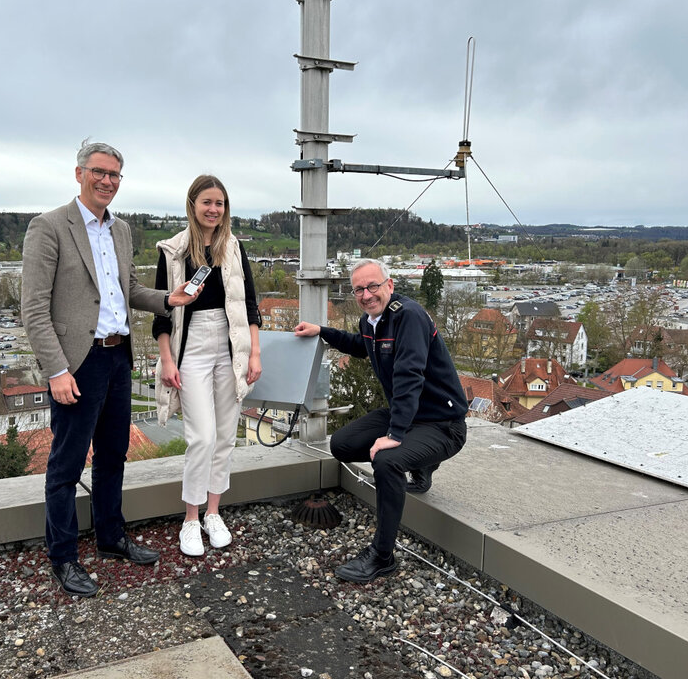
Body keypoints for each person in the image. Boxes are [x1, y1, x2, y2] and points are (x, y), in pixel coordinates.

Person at [22, 140, 201, 597]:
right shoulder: (48, 228)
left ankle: (110, 537)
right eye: (99, 172)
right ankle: (62, 558)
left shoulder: (120, 230)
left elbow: (129, 289)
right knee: (64, 466)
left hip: (119, 359)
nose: (107, 181)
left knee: (112, 457)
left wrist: (169, 298)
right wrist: (57, 371)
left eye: (115, 175)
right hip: (77, 364)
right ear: (79, 173)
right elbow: (34, 311)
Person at [293, 258, 468, 583]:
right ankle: (422, 464)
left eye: (373, 286)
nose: (366, 294)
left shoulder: (409, 317)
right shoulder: (371, 321)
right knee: (341, 444)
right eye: (359, 289)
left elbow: (409, 376)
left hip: (443, 424)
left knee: (387, 461)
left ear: (389, 285)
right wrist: (323, 331)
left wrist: (396, 433)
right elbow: (363, 346)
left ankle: (382, 556)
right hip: (411, 417)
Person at [153, 175, 262, 556]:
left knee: (225, 436)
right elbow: (161, 312)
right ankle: (190, 519)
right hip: (192, 345)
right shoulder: (173, 252)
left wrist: (254, 352)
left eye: (220, 203)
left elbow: (250, 304)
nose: (214, 209)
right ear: (192, 204)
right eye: (207, 202)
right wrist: (167, 360)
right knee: (201, 437)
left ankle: (214, 513)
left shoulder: (234, 248)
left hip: (231, 343)